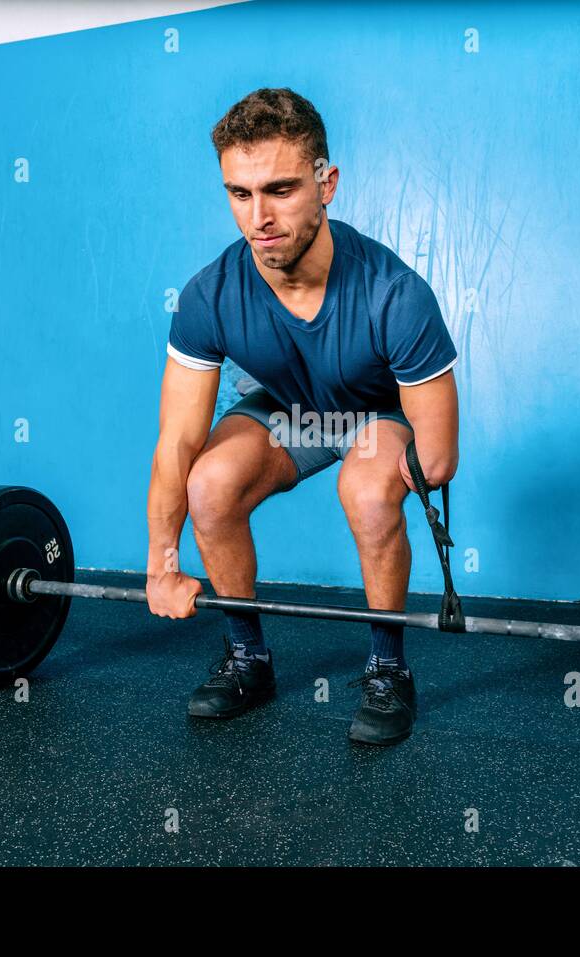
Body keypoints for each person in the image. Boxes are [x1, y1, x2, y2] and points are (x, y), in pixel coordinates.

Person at [145, 88, 459, 745]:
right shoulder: (209, 296)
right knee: (208, 481)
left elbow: (438, 460)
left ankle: (387, 668)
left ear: (327, 183)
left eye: (280, 189)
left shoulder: (395, 296)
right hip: (288, 412)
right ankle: (247, 657)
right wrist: (163, 561)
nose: (258, 216)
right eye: (239, 193)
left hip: (376, 414)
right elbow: (177, 438)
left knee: (369, 489)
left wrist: (375, 456)